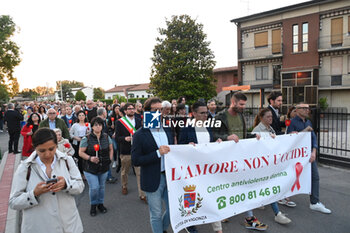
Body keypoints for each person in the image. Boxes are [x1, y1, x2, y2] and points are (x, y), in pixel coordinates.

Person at [9, 128, 84, 233]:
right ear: (34, 147)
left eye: (51, 149)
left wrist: (66, 184)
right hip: (39, 227)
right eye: (42, 151)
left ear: (56, 145)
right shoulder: (25, 168)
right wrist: (34, 194)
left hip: (68, 226)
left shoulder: (67, 161)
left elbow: (80, 186)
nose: (47, 154)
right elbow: (14, 202)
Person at [213, 92, 267, 231]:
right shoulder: (221, 117)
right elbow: (213, 136)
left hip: (240, 159)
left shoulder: (241, 116)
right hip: (225, 160)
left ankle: (249, 218)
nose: (243, 107)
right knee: (225, 188)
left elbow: (242, 135)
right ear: (233, 102)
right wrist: (226, 137)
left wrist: (253, 135)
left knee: (244, 186)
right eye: (241, 104)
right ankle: (223, 214)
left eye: (244, 104)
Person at [178, 101, 223, 233]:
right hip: (192, 170)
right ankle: (190, 224)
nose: (206, 115)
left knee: (212, 195)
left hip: (207, 169)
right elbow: (180, 147)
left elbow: (208, 144)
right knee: (192, 197)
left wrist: (217, 143)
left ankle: (218, 228)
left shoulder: (208, 127)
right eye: (202, 113)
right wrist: (187, 146)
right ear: (194, 114)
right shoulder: (186, 128)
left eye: (207, 112)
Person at [131, 97, 174, 233]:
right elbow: (136, 160)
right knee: (155, 214)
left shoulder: (167, 129)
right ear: (146, 113)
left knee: (174, 209)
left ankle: (162, 229)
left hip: (170, 177)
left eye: (161, 109)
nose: (160, 113)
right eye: (156, 110)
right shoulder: (139, 135)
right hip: (152, 178)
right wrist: (157, 153)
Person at [287, 103, 331, 214]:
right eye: (304, 108)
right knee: (292, 177)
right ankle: (283, 197)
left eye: (308, 108)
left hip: (309, 156)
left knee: (315, 177)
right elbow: (290, 140)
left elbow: (313, 138)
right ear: (297, 110)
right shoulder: (292, 123)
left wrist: (314, 152)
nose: (307, 110)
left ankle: (314, 202)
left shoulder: (308, 122)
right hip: (297, 158)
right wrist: (304, 131)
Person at [252, 109, 292, 224]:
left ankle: (260, 202)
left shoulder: (271, 129)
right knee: (268, 186)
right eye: (268, 117)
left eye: (271, 117)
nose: (271, 119)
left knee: (264, 186)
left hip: (268, 164)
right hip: (261, 165)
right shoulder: (257, 130)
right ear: (262, 118)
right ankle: (277, 213)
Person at [79, 117, 113, 216]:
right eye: (96, 125)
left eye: (100, 124)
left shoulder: (106, 137)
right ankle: (93, 205)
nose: (98, 127)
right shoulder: (87, 138)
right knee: (94, 188)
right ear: (92, 127)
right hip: (90, 168)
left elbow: (111, 149)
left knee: (101, 187)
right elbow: (81, 152)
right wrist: (90, 158)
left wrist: (110, 158)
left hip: (104, 167)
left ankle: (100, 204)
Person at [116, 103, 145, 201]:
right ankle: (124, 186)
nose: (132, 110)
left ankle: (142, 194)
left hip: (137, 150)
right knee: (125, 171)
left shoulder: (138, 120)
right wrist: (125, 138)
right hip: (125, 150)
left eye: (133, 108)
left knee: (140, 173)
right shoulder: (120, 122)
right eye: (129, 109)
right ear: (125, 111)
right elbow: (117, 138)